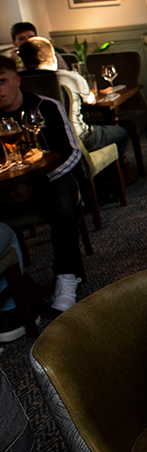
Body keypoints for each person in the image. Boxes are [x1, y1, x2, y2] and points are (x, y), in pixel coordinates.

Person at [0, 56, 86, 313]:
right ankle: (10, 286)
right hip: (9, 187)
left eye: (2, 81)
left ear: (16, 80)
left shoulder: (45, 106)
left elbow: (72, 153)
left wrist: (33, 186)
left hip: (52, 180)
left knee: (62, 202)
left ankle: (67, 276)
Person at [18, 37, 128, 157]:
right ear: (54, 58)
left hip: (38, 143)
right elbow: (91, 101)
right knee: (121, 133)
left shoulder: (17, 82)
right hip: (78, 138)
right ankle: (111, 169)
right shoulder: (69, 78)